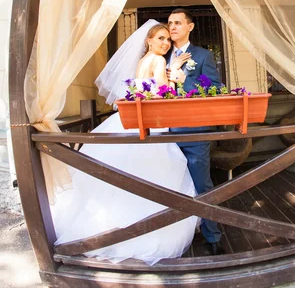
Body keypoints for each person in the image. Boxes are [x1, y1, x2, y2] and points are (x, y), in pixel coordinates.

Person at [50, 20, 199, 265]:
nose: (165, 43)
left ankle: (107, 232)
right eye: (160, 38)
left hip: (126, 121)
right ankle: (145, 232)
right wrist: (176, 76)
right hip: (150, 122)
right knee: (153, 175)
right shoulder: (160, 61)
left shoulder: (141, 62)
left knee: (121, 176)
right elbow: (165, 95)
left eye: (167, 39)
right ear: (148, 41)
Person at [166, 8, 225, 256]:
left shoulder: (202, 56)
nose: (172, 27)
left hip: (193, 130)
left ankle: (213, 235)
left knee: (202, 183)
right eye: (170, 23)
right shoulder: (160, 54)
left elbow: (216, 88)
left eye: (178, 23)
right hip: (163, 132)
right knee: (167, 185)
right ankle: (173, 236)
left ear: (190, 27)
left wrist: (184, 81)